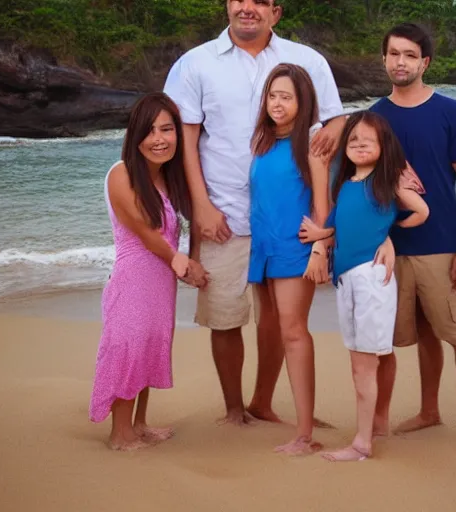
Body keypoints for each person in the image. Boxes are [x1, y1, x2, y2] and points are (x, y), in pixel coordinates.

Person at [163, 0, 347, 426]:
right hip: (223, 213)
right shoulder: (195, 64)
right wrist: (200, 206)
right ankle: (233, 410)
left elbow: (334, 125)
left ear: (276, 12)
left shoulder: (306, 61)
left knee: (278, 320)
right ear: (227, 5)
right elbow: (185, 141)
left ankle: (262, 402)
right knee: (225, 314)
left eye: (260, 1)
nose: (248, 7)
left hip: (287, 219)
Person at [369, 23, 456, 443]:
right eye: (393, 54)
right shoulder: (374, 117)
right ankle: (429, 411)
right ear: (384, 59)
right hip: (391, 248)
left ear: (424, 62)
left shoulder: (450, 112)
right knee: (421, 333)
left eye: (409, 55)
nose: (400, 62)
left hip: (441, 246)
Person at [299, 111, 428, 461]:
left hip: (371, 278)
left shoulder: (386, 184)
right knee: (359, 360)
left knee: (363, 365)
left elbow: (421, 211)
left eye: (367, 140)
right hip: (347, 281)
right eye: (353, 139)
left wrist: (389, 234)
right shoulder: (347, 186)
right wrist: (320, 237)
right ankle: (368, 433)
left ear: (383, 147)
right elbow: (342, 223)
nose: (358, 145)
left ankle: (362, 444)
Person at [89, 92, 208, 451]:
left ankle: (138, 424)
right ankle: (119, 434)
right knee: (128, 350)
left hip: (159, 283)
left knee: (148, 350)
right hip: (133, 280)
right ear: (135, 135)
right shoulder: (121, 174)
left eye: (167, 130)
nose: (159, 139)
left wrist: (188, 260)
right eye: (151, 131)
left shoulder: (166, 180)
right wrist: (182, 263)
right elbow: (144, 231)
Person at [247, 63, 332, 455]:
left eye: (287, 97)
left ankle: (304, 434)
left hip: (294, 249)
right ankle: (300, 416)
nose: (277, 103)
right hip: (262, 249)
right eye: (273, 95)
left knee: (294, 333)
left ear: (303, 102)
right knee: (273, 329)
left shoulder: (311, 144)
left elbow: (322, 205)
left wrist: (319, 248)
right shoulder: (263, 141)